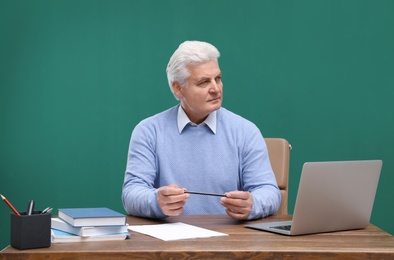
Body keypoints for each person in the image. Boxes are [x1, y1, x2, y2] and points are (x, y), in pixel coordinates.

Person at [122, 40, 280, 220]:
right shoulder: (148, 131)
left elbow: (269, 192)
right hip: (168, 242)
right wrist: (155, 201)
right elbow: (131, 193)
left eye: (218, 78)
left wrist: (253, 203)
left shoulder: (245, 131)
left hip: (231, 241)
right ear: (178, 88)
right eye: (204, 82)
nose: (216, 89)